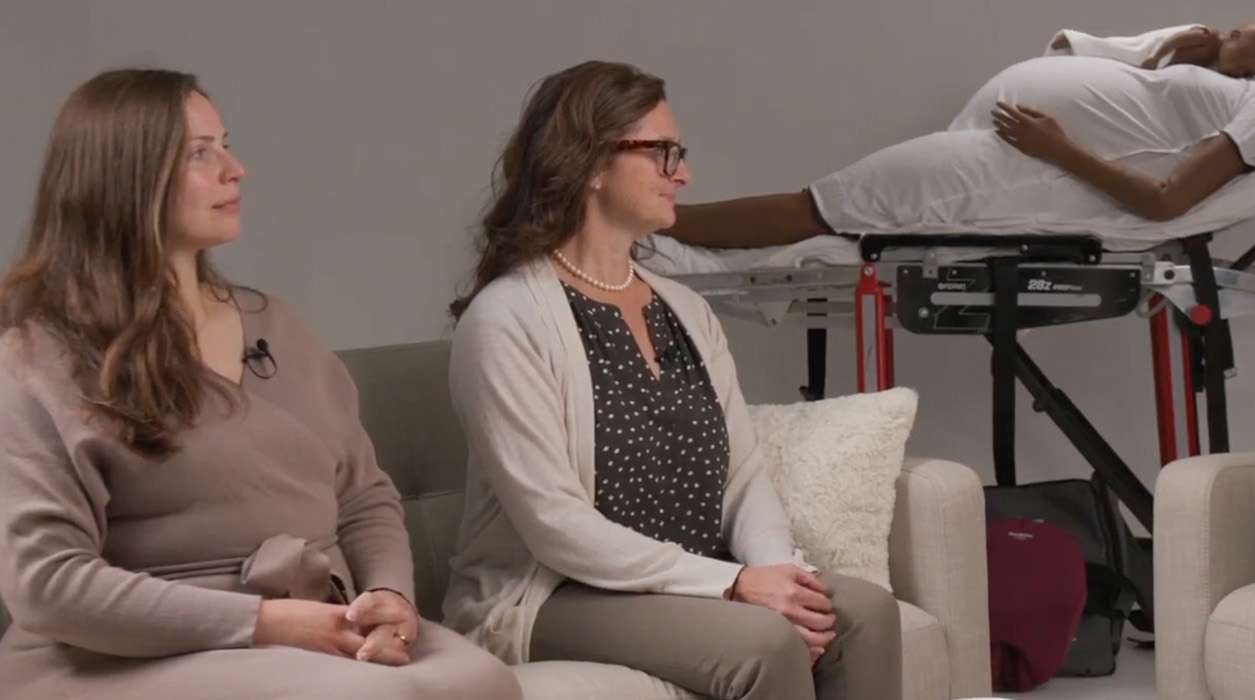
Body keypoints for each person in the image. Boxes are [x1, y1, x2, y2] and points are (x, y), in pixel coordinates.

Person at [0, 69, 521, 699]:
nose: (234, 169)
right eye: (200, 153)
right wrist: (264, 623)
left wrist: (389, 597)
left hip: (319, 620)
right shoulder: (39, 356)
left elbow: (364, 498)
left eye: (226, 143)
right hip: (126, 654)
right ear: (124, 179)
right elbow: (48, 584)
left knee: (483, 682)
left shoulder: (277, 324)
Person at [441, 60, 901, 700]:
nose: (682, 175)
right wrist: (733, 585)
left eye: (677, 154)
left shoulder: (685, 310)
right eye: (661, 154)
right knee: (764, 644)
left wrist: (773, 569)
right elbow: (555, 525)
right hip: (562, 594)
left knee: (867, 614)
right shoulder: (508, 319)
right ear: (592, 163)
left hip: (696, 577)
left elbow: (742, 477)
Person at [662, 8, 1255, 248]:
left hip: (1019, 169)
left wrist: (1057, 148)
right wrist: (1220, 55)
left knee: (819, 205)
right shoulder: (1251, 91)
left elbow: (1166, 200)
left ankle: (656, 227)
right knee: (829, 208)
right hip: (1004, 150)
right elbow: (1165, 113)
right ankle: (653, 229)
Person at [1047, 21, 1255, 76]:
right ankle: (1073, 42)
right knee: (1120, 50)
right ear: (1233, 37)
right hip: (1156, 53)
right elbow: (1176, 40)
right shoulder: (1209, 37)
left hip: (1163, 66)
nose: (1237, 72)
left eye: (1245, 72)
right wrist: (1156, 56)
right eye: (1240, 61)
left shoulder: (1217, 64)